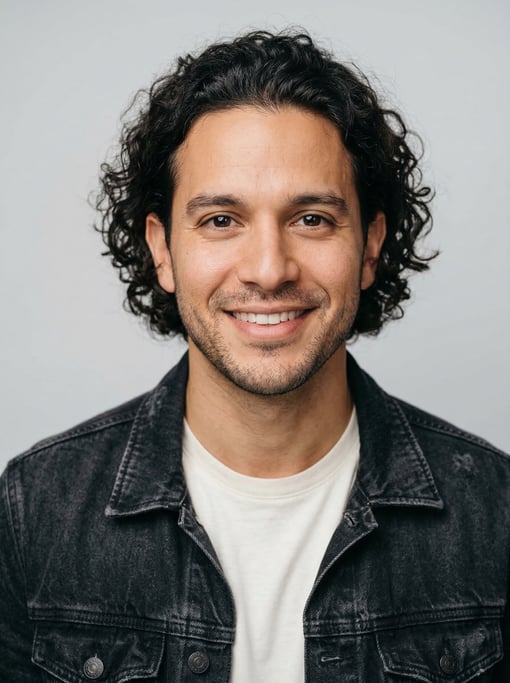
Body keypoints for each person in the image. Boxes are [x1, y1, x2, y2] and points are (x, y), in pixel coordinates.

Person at [0, 30, 508, 683]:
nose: (268, 270)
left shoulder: (494, 514)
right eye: (221, 220)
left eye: (312, 219)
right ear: (162, 249)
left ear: (371, 244)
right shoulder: (34, 512)